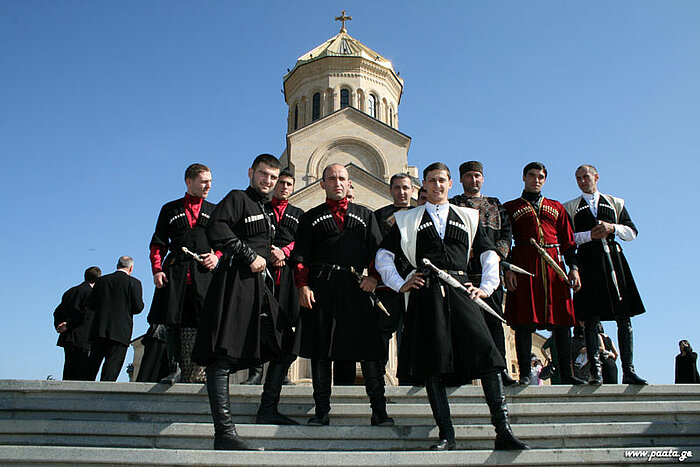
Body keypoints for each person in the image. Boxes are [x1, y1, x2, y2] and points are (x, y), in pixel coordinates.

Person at [376, 162, 528, 451]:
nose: (437, 185)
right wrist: (400, 282)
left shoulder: (468, 216)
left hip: (461, 290)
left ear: (450, 184)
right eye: (432, 181)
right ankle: (447, 434)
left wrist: (486, 287)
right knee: (433, 363)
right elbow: (383, 254)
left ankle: (503, 430)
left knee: (487, 356)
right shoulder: (408, 219)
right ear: (425, 184)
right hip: (426, 293)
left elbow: (488, 253)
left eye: (442, 180)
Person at [192, 154, 282, 451]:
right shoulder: (238, 198)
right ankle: (225, 432)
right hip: (234, 283)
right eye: (263, 174)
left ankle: (267, 408)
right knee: (223, 356)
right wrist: (248, 254)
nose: (267, 180)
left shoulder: (264, 209)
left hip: (256, 287)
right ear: (251, 173)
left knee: (283, 340)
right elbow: (217, 228)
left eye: (272, 176)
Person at [293, 163, 393, 428]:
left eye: (342, 178)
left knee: (369, 348)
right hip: (321, 289)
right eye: (331, 179)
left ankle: (379, 411)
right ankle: (321, 411)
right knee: (321, 350)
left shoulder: (365, 215)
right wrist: (303, 286)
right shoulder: (310, 217)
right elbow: (301, 257)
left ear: (349, 184)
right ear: (322, 184)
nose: (337, 183)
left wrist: (374, 277)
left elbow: (378, 252)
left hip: (356, 288)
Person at [564, 164, 648, 385]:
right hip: (587, 262)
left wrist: (612, 228)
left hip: (613, 259)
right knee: (590, 318)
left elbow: (632, 232)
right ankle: (596, 371)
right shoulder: (570, 207)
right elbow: (568, 238)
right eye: (579, 178)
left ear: (596, 177)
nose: (583, 181)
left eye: (586, 176)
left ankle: (628, 369)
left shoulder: (614, 202)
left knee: (624, 315)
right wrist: (589, 235)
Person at [503, 162, 585, 386]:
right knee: (523, 322)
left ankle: (567, 374)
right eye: (532, 175)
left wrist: (574, 269)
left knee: (562, 322)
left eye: (540, 176)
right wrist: (507, 267)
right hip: (524, 265)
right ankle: (525, 375)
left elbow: (568, 243)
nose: (536, 180)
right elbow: (504, 240)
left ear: (545, 180)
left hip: (554, 267)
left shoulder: (556, 207)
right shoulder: (509, 207)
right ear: (524, 177)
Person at [148, 163, 220, 385]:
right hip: (175, 272)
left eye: (210, 181)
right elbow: (158, 243)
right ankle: (174, 369)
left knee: (206, 321)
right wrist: (157, 270)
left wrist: (216, 256)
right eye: (204, 181)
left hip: (203, 274)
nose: (209, 185)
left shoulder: (215, 210)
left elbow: (224, 242)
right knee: (172, 321)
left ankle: (205, 371)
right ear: (189, 182)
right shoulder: (169, 209)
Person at [450, 161, 516, 386]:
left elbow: (507, 235)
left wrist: (497, 256)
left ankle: (500, 369)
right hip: (463, 271)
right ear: (461, 180)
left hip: (490, 273)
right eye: (469, 176)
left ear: (483, 178)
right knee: (463, 322)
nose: (473, 180)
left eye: (477, 176)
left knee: (494, 321)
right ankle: (465, 371)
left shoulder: (496, 205)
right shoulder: (454, 204)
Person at [253, 169, 305, 425]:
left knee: (286, 335)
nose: (283, 186)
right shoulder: (259, 208)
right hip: (258, 276)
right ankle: (254, 373)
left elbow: (303, 242)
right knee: (256, 328)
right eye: (280, 182)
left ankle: (269, 404)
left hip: (287, 281)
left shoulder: (298, 214)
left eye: (288, 183)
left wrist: (284, 250)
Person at [373, 173, 414, 381]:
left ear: (412, 190)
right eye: (397, 188)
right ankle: (378, 377)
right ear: (390, 190)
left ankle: (408, 377)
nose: (401, 192)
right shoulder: (379, 216)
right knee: (383, 331)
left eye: (405, 187)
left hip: (415, 283)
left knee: (410, 333)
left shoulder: (420, 214)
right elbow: (374, 248)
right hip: (386, 285)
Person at [87, 256, 144, 381]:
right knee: (111, 368)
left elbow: (91, 304)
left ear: (117, 265)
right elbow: (138, 307)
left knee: (91, 366)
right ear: (131, 268)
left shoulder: (101, 281)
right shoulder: (134, 283)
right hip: (120, 331)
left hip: (100, 328)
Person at [53, 266, 102, 380]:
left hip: (68, 337)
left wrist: (60, 325)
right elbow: (86, 314)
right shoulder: (91, 293)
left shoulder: (70, 292)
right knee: (81, 371)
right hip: (82, 337)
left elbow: (57, 312)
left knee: (68, 369)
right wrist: (68, 325)